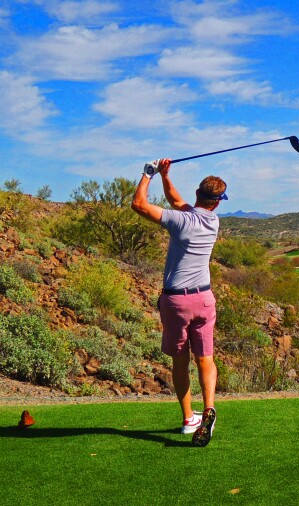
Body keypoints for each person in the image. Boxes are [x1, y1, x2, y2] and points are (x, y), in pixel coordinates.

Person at [131, 158, 227, 447]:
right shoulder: (213, 221)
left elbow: (139, 204)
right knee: (205, 358)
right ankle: (209, 409)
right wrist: (165, 175)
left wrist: (148, 174)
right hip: (204, 299)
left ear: (197, 194)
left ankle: (188, 420)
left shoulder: (180, 221)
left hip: (176, 302)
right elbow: (176, 201)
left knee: (180, 361)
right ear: (217, 202)